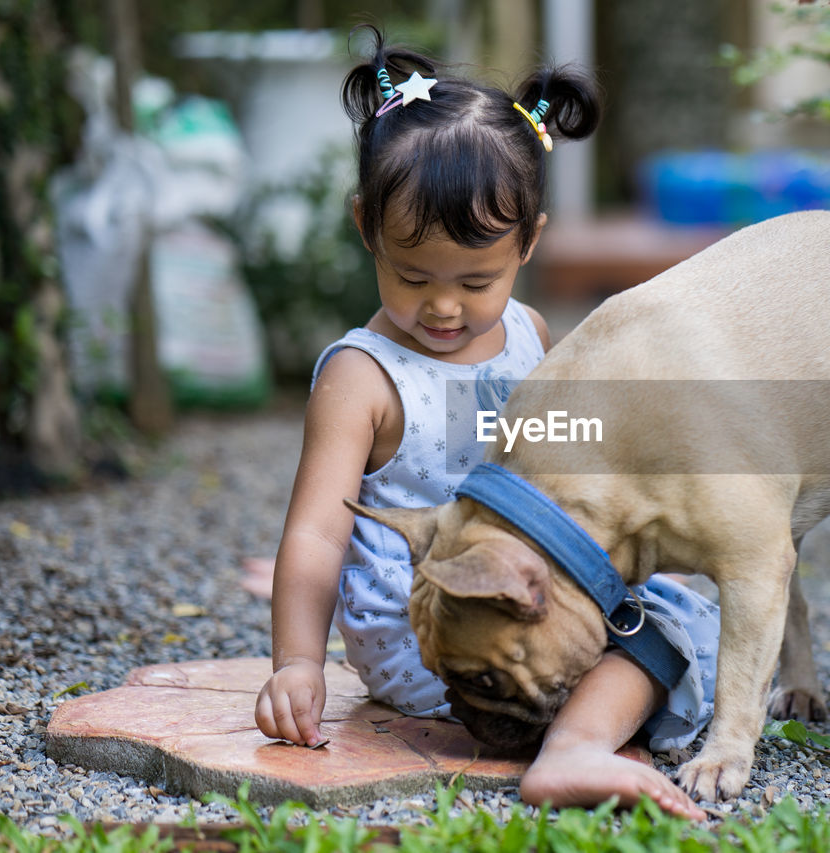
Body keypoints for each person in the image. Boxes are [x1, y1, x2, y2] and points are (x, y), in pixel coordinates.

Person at [253, 27, 718, 819]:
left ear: (528, 243)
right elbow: (316, 535)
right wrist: (298, 662)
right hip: (431, 633)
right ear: (366, 226)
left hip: (533, 590)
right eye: (412, 275)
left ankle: (570, 738)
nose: (442, 305)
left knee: (674, 609)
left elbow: (578, 454)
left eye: (476, 280)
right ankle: (577, 743)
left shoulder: (533, 335)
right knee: (652, 642)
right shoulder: (363, 376)